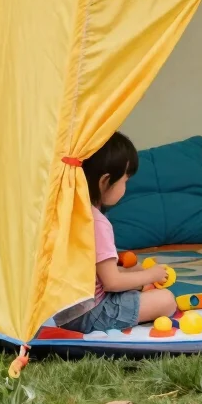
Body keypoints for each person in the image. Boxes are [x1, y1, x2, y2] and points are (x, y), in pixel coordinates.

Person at [62, 132, 176, 334]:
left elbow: (98, 273)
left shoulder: (72, 214)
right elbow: (111, 282)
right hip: (93, 313)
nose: (126, 188)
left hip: (67, 313)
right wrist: (151, 274)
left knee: (137, 286)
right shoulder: (97, 222)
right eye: (125, 181)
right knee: (166, 300)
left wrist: (136, 273)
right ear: (105, 181)